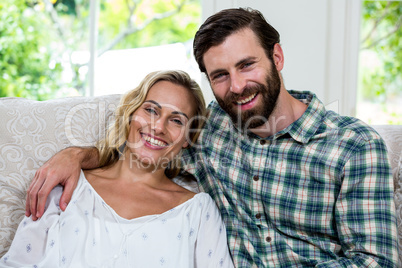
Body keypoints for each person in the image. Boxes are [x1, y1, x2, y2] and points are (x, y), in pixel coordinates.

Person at [25, 7, 399, 267]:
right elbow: (146, 148)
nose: (236, 86)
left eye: (247, 65)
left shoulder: (354, 147)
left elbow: (376, 261)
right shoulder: (209, 128)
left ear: (277, 57)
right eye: (220, 75)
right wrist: (77, 155)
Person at [1, 70, 234, 268]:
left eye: (176, 121)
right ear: (131, 114)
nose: (158, 127)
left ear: (187, 138)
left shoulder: (198, 212)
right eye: (151, 110)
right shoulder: (67, 187)